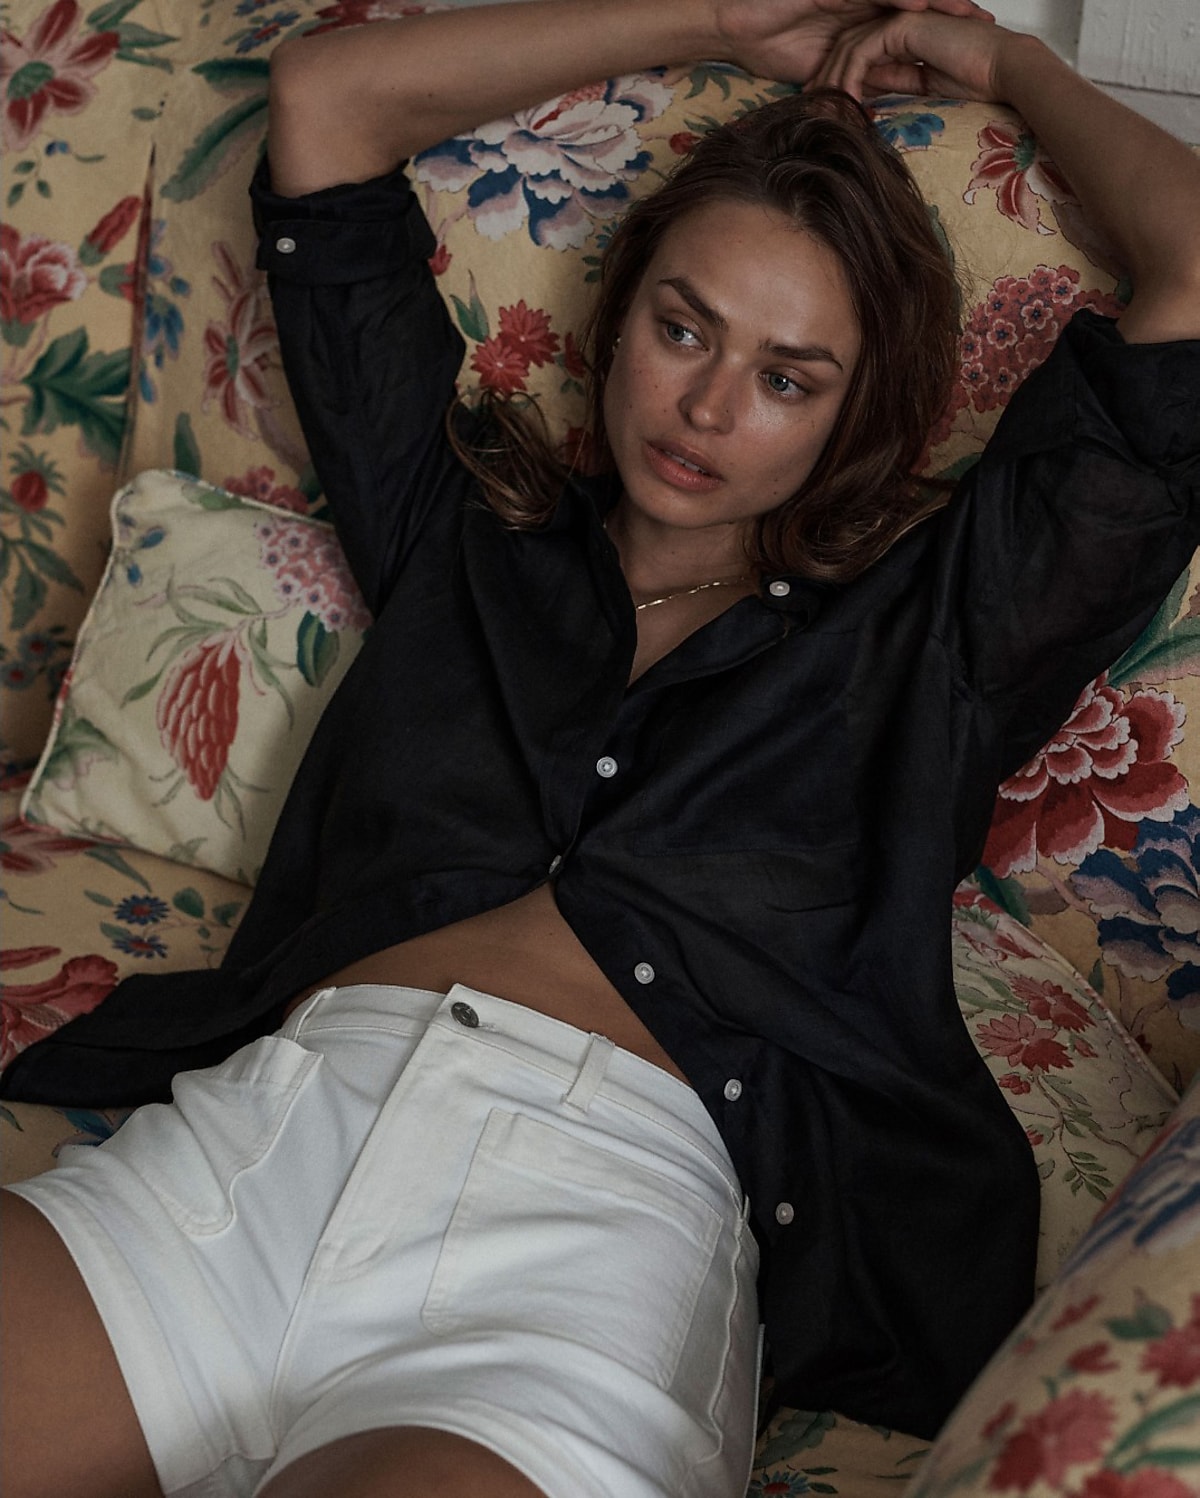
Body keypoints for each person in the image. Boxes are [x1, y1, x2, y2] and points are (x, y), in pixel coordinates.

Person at [3, 2, 1199, 1495]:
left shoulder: (934, 637)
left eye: (787, 376)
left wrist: (1011, 63)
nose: (705, 406)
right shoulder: (466, 537)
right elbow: (326, 102)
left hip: (594, 1241)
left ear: (856, 412)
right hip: (265, 1142)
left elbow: (1197, 271)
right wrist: (710, 21)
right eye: (683, 326)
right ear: (616, 315)